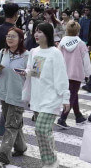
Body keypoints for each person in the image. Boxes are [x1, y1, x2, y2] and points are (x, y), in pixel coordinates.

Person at [22, 22, 70, 168]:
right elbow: (34, 71)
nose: (36, 34)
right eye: (35, 31)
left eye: (40, 32)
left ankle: (51, 161)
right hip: (37, 98)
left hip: (51, 98)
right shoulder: (34, 52)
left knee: (41, 129)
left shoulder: (55, 52)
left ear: (47, 34)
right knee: (43, 133)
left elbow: (61, 76)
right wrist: (25, 72)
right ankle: (48, 161)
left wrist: (65, 97)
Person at [0, 27, 28, 166]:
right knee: (13, 122)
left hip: (18, 95)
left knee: (11, 125)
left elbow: (33, 73)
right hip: (4, 93)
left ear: (20, 39)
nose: (9, 38)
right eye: (8, 36)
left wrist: (26, 72)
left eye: (13, 36)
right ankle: (21, 147)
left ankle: (3, 156)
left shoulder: (27, 55)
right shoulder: (3, 52)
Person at [56, 21, 91, 129]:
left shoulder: (62, 43)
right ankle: (62, 118)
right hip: (76, 73)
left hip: (64, 73)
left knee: (72, 94)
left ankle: (78, 116)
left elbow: (57, 57)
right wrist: (88, 73)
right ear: (78, 31)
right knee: (72, 95)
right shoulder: (81, 44)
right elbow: (86, 60)